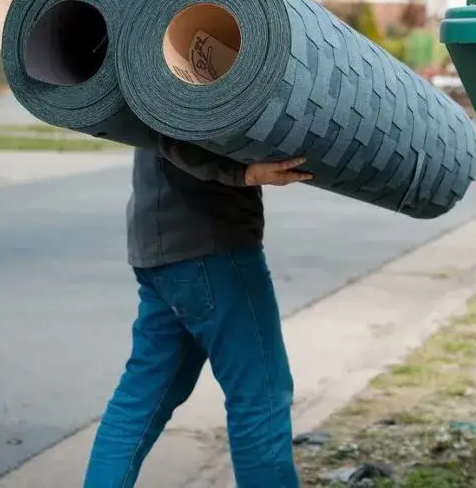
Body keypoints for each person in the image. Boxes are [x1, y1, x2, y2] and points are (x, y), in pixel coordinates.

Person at [83, 135, 313, 488]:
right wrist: (245, 173)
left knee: (142, 400)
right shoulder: (168, 77)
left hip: (159, 246)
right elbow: (173, 122)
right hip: (212, 248)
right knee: (260, 394)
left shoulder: (140, 78)